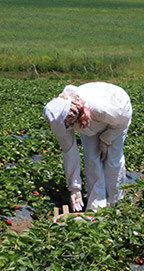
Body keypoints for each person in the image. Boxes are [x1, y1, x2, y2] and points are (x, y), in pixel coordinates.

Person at [43, 82, 132, 212]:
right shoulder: (59, 117)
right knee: (92, 160)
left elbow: (122, 121)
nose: (68, 129)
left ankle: (116, 204)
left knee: (113, 161)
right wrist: (74, 188)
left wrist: (106, 140)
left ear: (75, 115)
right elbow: (69, 151)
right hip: (88, 122)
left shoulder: (100, 107)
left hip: (117, 118)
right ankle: (96, 208)